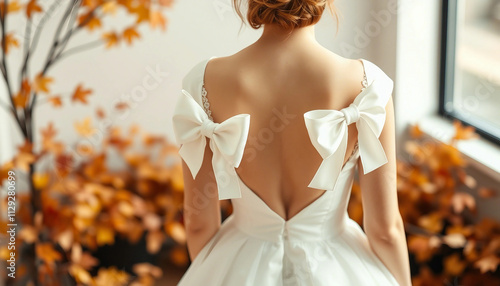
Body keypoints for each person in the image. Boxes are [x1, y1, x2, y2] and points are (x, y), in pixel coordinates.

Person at [172, 0, 412, 285]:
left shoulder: (203, 81)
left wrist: (215, 272)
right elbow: (385, 230)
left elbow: (199, 224)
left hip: (238, 263)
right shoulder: (368, 86)